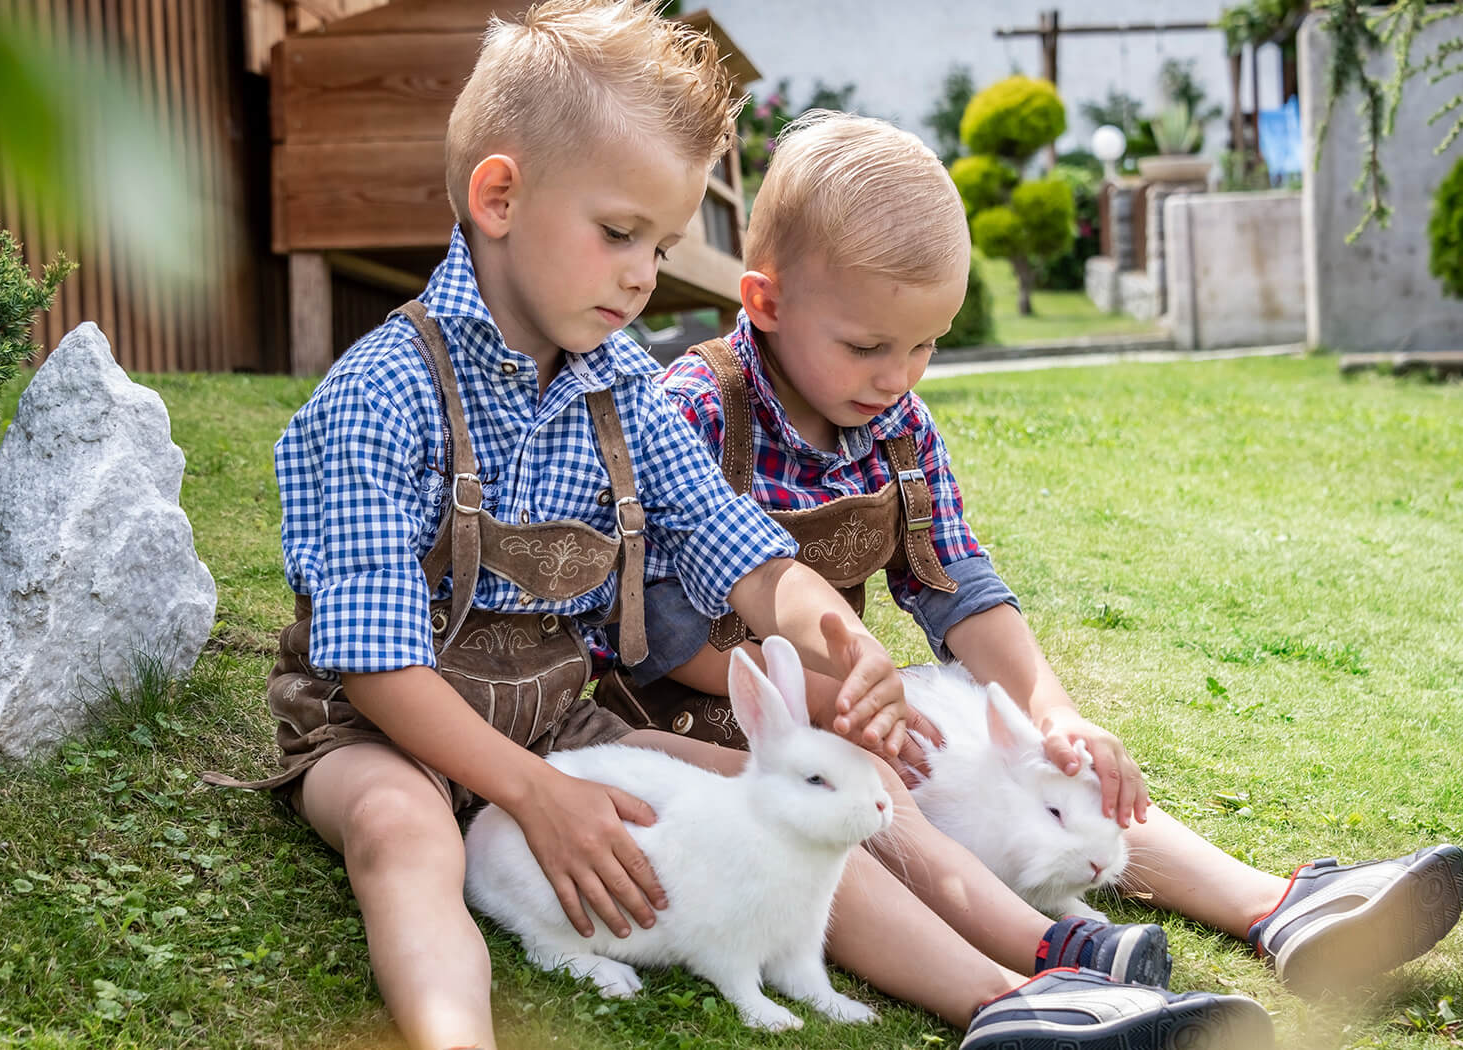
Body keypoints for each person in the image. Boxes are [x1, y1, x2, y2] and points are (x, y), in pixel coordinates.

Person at [208, 6, 1275, 1049]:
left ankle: (1009, 995)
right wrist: (536, 797)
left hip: (553, 725)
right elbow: (375, 670)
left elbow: (742, 553)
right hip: (379, 736)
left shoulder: (619, 388)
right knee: (401, 833)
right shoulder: (376, 399)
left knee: (785, 808)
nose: (643, 272)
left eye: (661, 242)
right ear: (499, 195)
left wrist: (835, 637)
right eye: (620, 233)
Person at [607, 110, 1463, 1005]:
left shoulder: (897, 425)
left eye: (926, 345)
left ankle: (1277, 908)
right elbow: (654, 633)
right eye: (867, 347)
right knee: (883, 794)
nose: (898, 376)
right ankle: (1048, 948)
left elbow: (959, 584)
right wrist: (838, 704)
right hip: (703, 723)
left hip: (850, 701)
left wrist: (1052, 714)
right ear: (767, 303)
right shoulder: (695, 411)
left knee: (1033, 760)